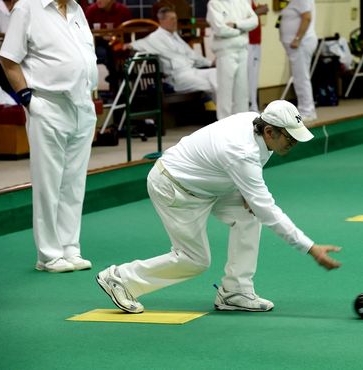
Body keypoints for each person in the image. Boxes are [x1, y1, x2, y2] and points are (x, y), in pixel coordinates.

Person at [96, 100, 341, 314]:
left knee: (249, 214)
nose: (294, 143)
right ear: (269, 131)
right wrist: (310, 248)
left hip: (208, 184)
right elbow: (268, 209)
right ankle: (121, 278)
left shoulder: (254, 123)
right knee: (195, 260)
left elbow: (243, 177)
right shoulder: (241, 151)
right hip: (174, 186)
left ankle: (236, 292)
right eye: (290, 138)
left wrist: (245, 191)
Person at [0, 0, 98, 273]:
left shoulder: (78, 10)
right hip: (47, 104)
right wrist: (27, 99)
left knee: (74, 183)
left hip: (82, 105)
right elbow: (8, 60)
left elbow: (84, 57)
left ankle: (70, 248)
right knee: (48, 183)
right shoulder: (27, 8)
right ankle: (49, 255)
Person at [128, 7, 217, 103]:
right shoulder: (154, 38)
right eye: (171, 19)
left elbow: (191, 54)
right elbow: (138, 44)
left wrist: (210, 63)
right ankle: (223, 114)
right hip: (177, 77)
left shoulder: (175, 36)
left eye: (175, 18)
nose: (175, 21)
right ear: (161, 20)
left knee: (218, 74)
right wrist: (127, 46)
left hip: (192, 70)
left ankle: (225, 112)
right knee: (210, 85)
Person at [206, 0, 258, 119]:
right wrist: (243, 30)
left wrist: (236, 25)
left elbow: (254, 21)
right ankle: (223, 126)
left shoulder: (242, 2)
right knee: (225, 92)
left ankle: (242, 123)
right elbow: (220, 29)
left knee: (242, 92)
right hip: (225, 52)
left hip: (242, 50)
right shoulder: (214, 4)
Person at [279, 0, 318, 122]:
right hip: (298, 45)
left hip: (301, 43)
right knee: (299, 77)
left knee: (301, 77)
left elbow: (306, 18)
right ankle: (306, 109)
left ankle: (307, 111)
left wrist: (297, 38)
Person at [85, 0, 132, 92]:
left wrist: (117, 37)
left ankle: (117, 85)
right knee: (105, 53)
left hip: (117, 43)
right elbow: (84, 30)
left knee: (116, 52)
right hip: (97, 43)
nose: (98, 0)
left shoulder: (123, 10)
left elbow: (128, 34)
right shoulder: (92, 10)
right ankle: (114, 81)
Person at [247, 1, 268, 113]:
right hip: (248, 42)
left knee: (254, 75)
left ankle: (253, 104)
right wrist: (259, 11)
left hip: (255, 41)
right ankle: (251, 105)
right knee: (249, 75)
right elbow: (243, 17)